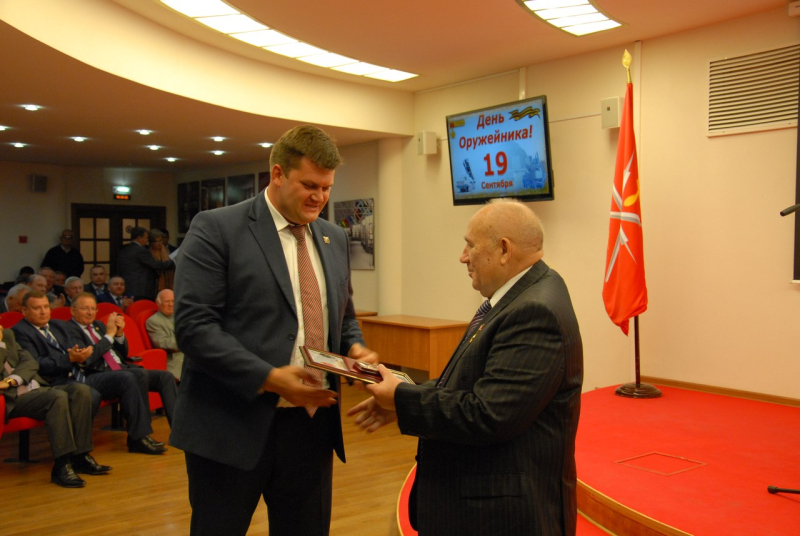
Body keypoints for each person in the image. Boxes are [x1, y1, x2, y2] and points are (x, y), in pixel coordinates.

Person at [172, 125, 377, 536]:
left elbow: (343, 316)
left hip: (311, 424)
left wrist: (356, 348)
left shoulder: (334, 237)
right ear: (278, 174)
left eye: (326, 187)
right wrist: (268, 377)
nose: (319, 197)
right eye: (309, 185)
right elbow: (194, 328)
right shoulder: (217, 228)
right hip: (231, 423)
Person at [348, 200, 584, 536]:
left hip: (501, 518)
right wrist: (403, 399)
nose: (463, 257)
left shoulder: (533, 311)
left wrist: (402, 398)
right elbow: (470, 385)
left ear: (504, 250)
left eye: (470, 245)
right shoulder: (521, 296)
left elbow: (488, 415)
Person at [1, 323, 111, 487]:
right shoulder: (3, 340)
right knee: (56, 397)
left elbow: (30, 362)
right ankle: (62, 465)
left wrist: (13, 379)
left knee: (81, 391)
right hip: (11, 398)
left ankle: (80, 456)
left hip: (33, 387)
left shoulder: (7, 335)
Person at [64, 292, 175, 454]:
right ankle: (138, 438)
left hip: (120, 368)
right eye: (85, 309)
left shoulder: (98, 326)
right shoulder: (69, 330)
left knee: (165, 377)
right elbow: (87, 359)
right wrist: (109, 336)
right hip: (94, 375)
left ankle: (178, 431)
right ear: (72, 310)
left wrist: (119, 335)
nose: (90, 312)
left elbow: (122, 354)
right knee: (131, 376)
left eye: (93, 309)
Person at [117, 227, 175, 301]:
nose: (147, 240)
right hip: (141, 289)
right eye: (146, 238)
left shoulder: (124, 249)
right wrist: (173, 262)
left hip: (127, 288)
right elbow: (155, 265)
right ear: (139, 238)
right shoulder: (141, 250)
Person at [145, 289, 183, 381]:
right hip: (175, 360)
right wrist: (189, 338)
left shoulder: (180, 316)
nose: (171, 304)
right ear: (158, 303)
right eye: (167, 301)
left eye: (173, 301)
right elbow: (164, 343)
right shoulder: (153, 321)